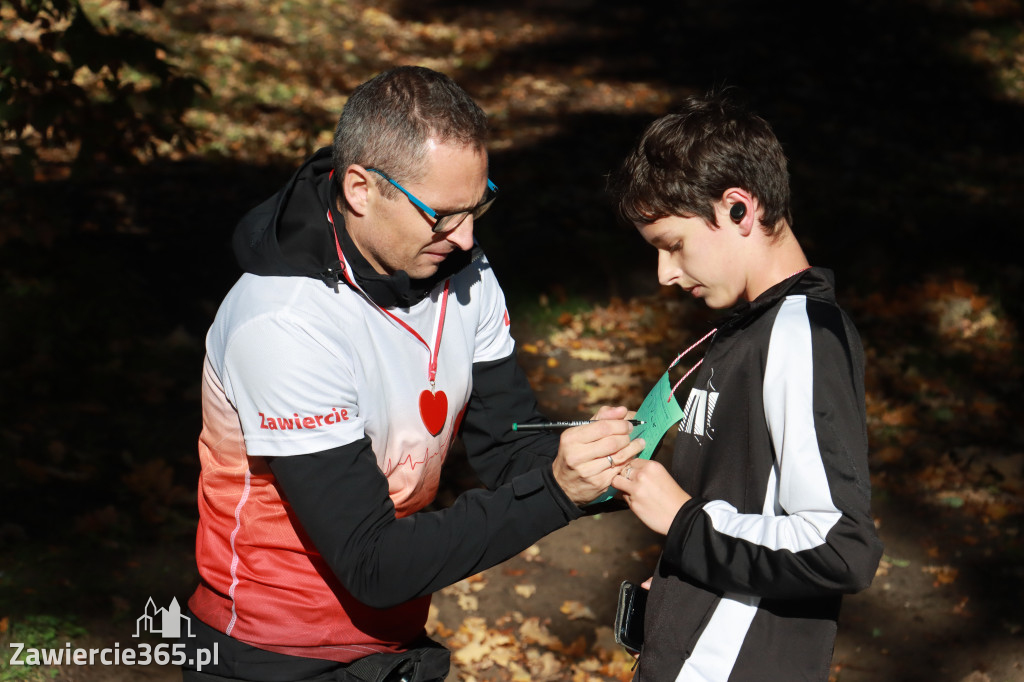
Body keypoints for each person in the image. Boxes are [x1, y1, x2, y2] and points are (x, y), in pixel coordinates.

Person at [181, 66, 644, 682]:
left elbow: (509, 447)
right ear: (360, 190)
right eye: (442, 215)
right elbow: (372, 564)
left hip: (391, 642)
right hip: (266, 656)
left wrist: (627, 463)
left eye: (479, 208)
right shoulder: (283, 322)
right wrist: (558, 493)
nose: (466, 237)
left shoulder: (465, 273)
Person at [606, 91, 883, 681]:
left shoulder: (801, 333)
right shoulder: (742, 330)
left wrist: (684, 523)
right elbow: (740, 510)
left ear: (738, 210)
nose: (664, 274)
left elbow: (840, 546)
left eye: (673, 246)